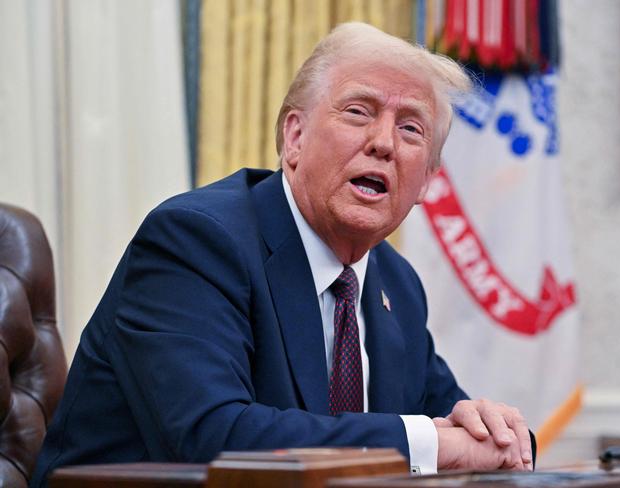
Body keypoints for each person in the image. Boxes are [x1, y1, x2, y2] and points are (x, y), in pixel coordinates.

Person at [31, 22, 534, 486]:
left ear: (427, 180)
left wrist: (500, 434)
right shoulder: (195, 242)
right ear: (293, 137)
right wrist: (429, 442)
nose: (383, 142)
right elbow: (215, 440)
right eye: (358, 112)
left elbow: (457, 427)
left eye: (411, 128)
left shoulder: (396, 284)